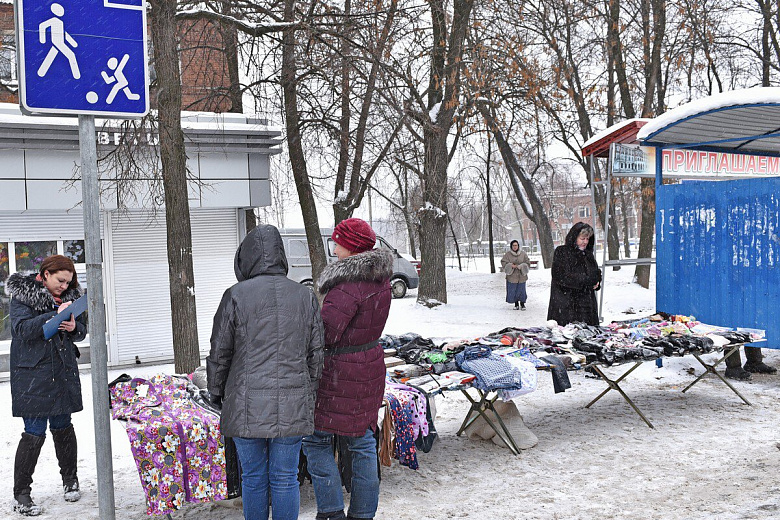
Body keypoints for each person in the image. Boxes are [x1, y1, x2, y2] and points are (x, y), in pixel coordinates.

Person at [207, 225, 324, 520]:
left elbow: (220, 351)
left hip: (245, 401)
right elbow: (316, 354)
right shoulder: (305, 295)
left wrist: (217, 391)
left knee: (254, 478)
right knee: (285, 477)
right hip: (292, 399)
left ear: (246, 258)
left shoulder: (235, 295)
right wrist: (308, 391)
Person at [303, 218, 393, 520]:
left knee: (316, 439)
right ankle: (363, 513)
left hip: (342, 371)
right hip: (369, 365)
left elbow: (326, 333)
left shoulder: (348, 285)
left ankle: (330, 512)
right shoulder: (380, 278)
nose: (334, 247)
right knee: (362, 440)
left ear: (352, 246)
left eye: (338, 242)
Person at [7, 255, 86, 516]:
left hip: (61, 371)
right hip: (33, 376)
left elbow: (82, 330)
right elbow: (20, 330)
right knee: (34, 431)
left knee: (64, 426)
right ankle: (22, 493)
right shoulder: (23, 296)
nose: (64, 286)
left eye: (68, 282)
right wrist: (54, 315)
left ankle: (70, 481)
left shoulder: (70, 296)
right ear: (45, 274)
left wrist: (74, 326)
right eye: (60, 281)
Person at [547, 222, 602, 326]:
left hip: (587, 307)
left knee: (588, 338)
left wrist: (597, 281)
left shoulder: (588, 254)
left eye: (587, 239)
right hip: (567, 306)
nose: (585, 242)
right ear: (574, 237)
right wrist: (587, 281)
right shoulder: (562, 252)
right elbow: (560, 276)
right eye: (582, 238)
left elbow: (595, 272)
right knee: (568, 337)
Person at [501, 240, 531, 310]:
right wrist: (510, 265)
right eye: (513, 245)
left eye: (516, 245)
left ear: (518, 246)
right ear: (511, 246)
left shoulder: (523, 254)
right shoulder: (507, 254)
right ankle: (516, 304)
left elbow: (527, 262)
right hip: (512, 276)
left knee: (521, 290)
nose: (515, 247)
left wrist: (522, 266)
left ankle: (522, 304)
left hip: (521, 276)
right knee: (513, 290)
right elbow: (503, 262)